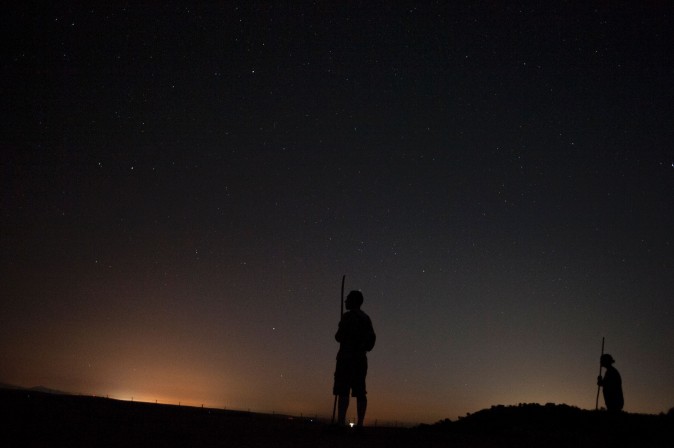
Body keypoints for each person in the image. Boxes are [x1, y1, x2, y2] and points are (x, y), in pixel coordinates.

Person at [333, 290, 376, 427]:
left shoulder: (347, 317)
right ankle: (360, 425)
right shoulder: (366, 318)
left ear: (353, 301)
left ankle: (340, 424)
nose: (345, 301)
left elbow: (338, 337)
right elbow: (371, 340)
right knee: (360, 391)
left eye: (347, 299)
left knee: (343, 389)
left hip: (346, 358)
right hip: (360, 360)